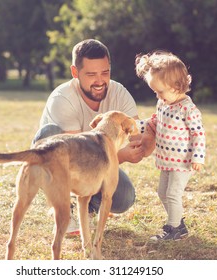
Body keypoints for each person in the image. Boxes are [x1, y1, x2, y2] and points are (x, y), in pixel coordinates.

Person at [33, 39, 146, 235]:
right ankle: (63, 212)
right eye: (91, 74)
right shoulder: (63, 99)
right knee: (50, 133)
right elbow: (77, 160)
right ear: (75, 73)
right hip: (63, 162)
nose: (100, 81)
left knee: (124, 197)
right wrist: (124, 155)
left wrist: (147, 137)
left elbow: (139, 137)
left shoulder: (119, 93)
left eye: (105, 72)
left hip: (98, 163)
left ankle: (87, 209)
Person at [135, 50, 206, 241]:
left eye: (160, 91)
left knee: (173, 194)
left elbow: (198, 134)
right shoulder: (163, 105)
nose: (158, 96)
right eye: (155, 92)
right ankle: (178, 223)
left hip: (182, 162)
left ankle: (174, 229)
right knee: (162, 193)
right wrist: (133, 127)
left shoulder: (188, 109)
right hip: (166, 160)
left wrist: (198, 157)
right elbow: (154, 123)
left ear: (177, 86)